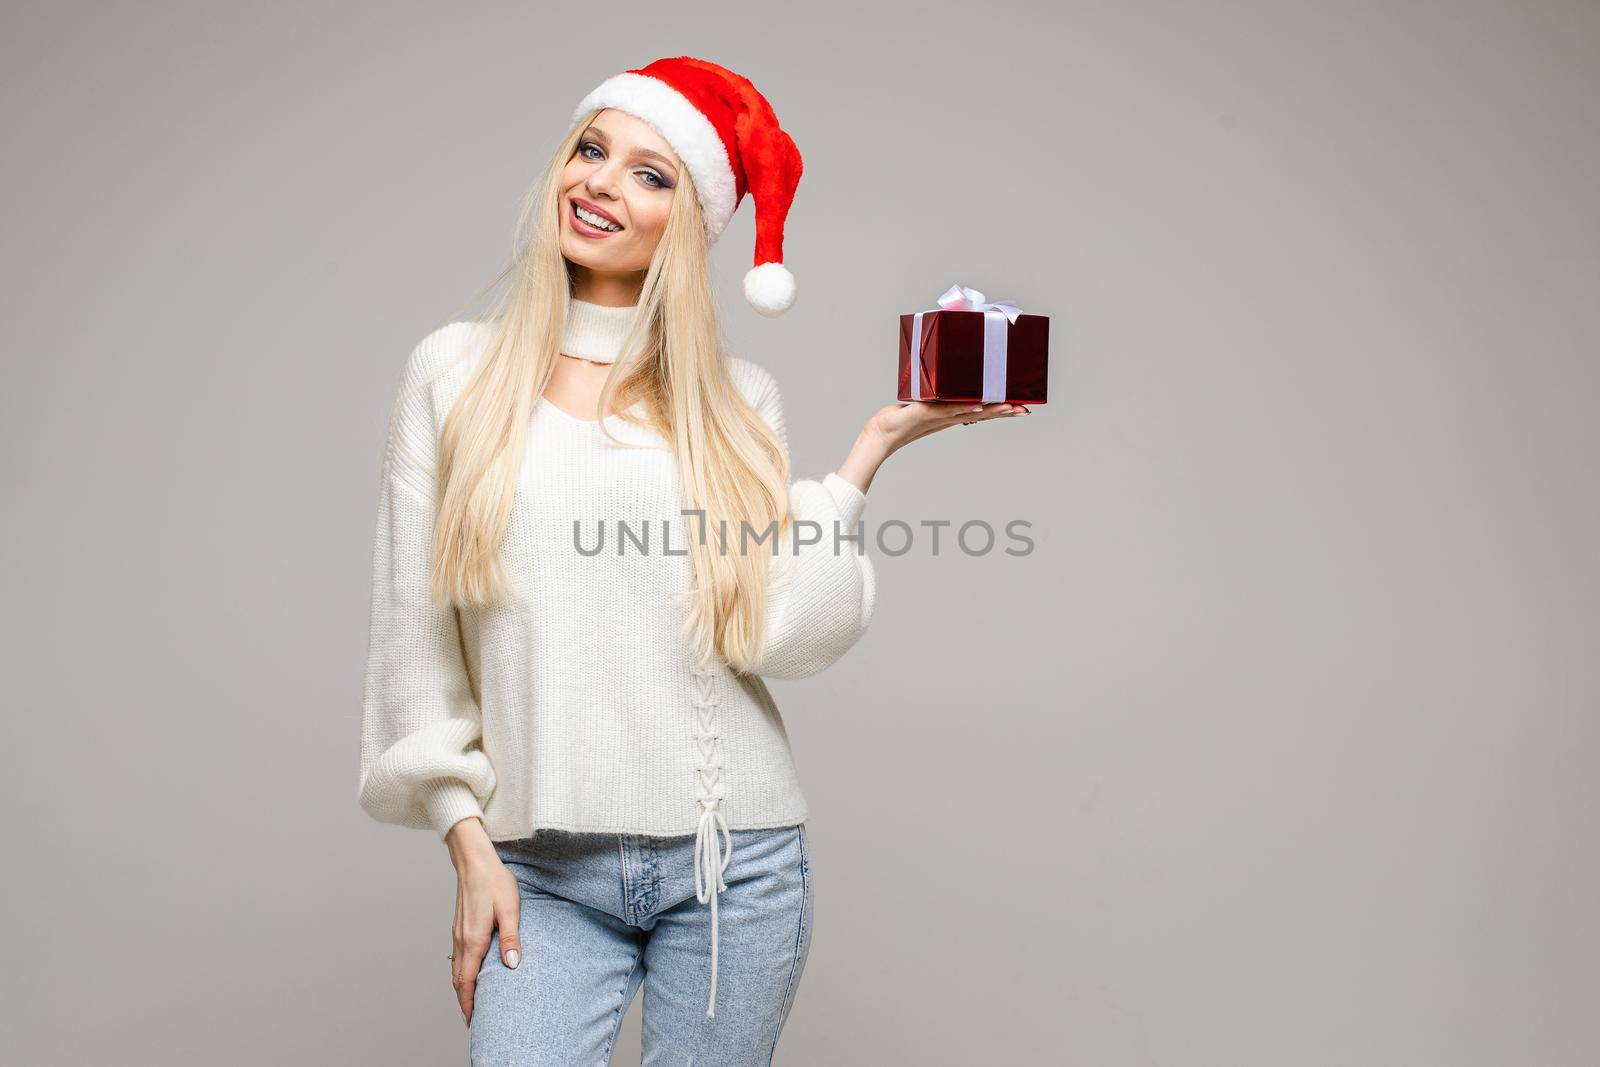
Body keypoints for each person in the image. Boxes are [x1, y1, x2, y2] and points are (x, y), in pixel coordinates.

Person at [356, 55, 1029, 1064]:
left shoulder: (734, 397)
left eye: (649, 173)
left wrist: (867, 453)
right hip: (534, 868)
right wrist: (466, 841)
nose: (598, 183)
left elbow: (778, 635)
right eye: (591, 150)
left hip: (734, 869)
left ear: (692, 225)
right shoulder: (452, 373)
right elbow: (416, 638)